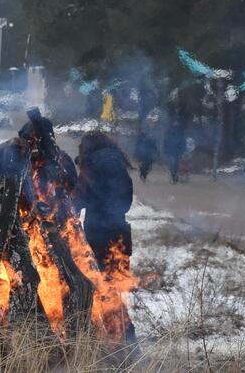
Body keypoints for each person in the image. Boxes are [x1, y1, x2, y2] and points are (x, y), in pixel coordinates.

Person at [74, 130, 137, 346]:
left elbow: (78, 200)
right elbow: (127, 202)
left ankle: (126, 343)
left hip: (98, 238)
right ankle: (122, 341)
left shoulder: (90, 166)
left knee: (103, 291)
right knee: (114, 290)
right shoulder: (119, 164)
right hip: (120, 236)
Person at [163, 119, 186, 184]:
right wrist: (165, 150)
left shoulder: (180, 133)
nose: (176, 124)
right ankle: (174, 177)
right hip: (171, 152)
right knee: (172, 165)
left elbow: (183, 143)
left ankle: (175, 177)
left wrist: (182, 151)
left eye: (177, 122)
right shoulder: (169, 133)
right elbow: (166, 142)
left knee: (176, 165)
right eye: (175, 122)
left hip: (177, 152)